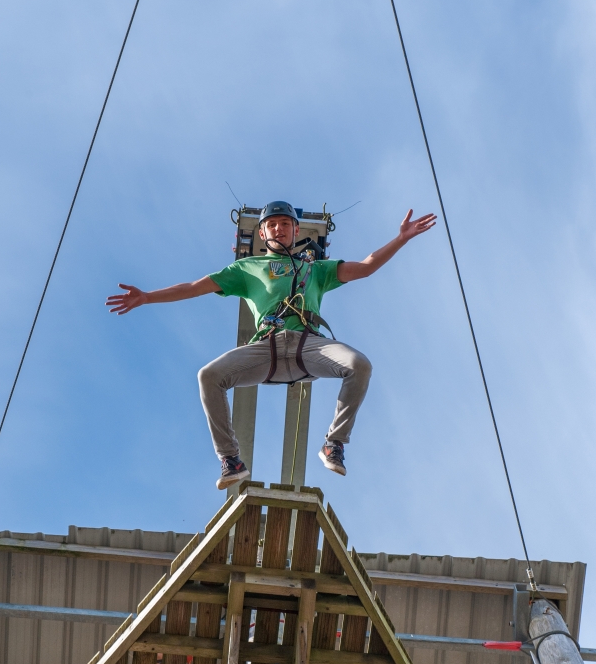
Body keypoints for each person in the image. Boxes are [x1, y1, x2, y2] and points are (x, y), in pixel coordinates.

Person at [106, 200, 436, 489]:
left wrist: (401, 239)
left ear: (295, 231)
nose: (279, 229)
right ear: (262, 234)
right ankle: (230, 459)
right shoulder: (247, 268)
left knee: (359, 365)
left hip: (308, 345)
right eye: (272, 225)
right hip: (267, 347)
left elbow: (365, 267)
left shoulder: (315, 269)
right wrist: (147, 297)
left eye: (285, 224)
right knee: (208, 376)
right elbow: (194, 287)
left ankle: (334, 444)